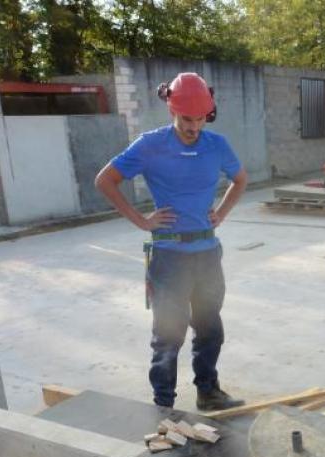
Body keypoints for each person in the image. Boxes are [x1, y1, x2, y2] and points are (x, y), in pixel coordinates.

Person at [95, 72, 247, 412]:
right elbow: (105, 180)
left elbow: (240, 179)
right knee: (169, 335)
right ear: (171, 111)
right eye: (186, 119)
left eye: (200, 119)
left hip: (208, 253)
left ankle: (208, 392)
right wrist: (141, 221)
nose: (194, 127)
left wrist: (220, 214)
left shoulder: (217, 145)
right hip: (169, 257)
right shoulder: (150, 145)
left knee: (210, 329)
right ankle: (164, 406)